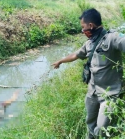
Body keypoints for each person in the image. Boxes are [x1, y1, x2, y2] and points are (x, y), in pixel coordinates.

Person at [52, 8, 125, 139]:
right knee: (90, 123)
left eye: (83, 27)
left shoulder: (112, 38)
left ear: (91, 25)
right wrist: (60, 61)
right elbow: (75, 54)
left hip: (109, 95)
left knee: (101, 128)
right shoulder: (89, 43)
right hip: (92, 92)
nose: (82, 30)